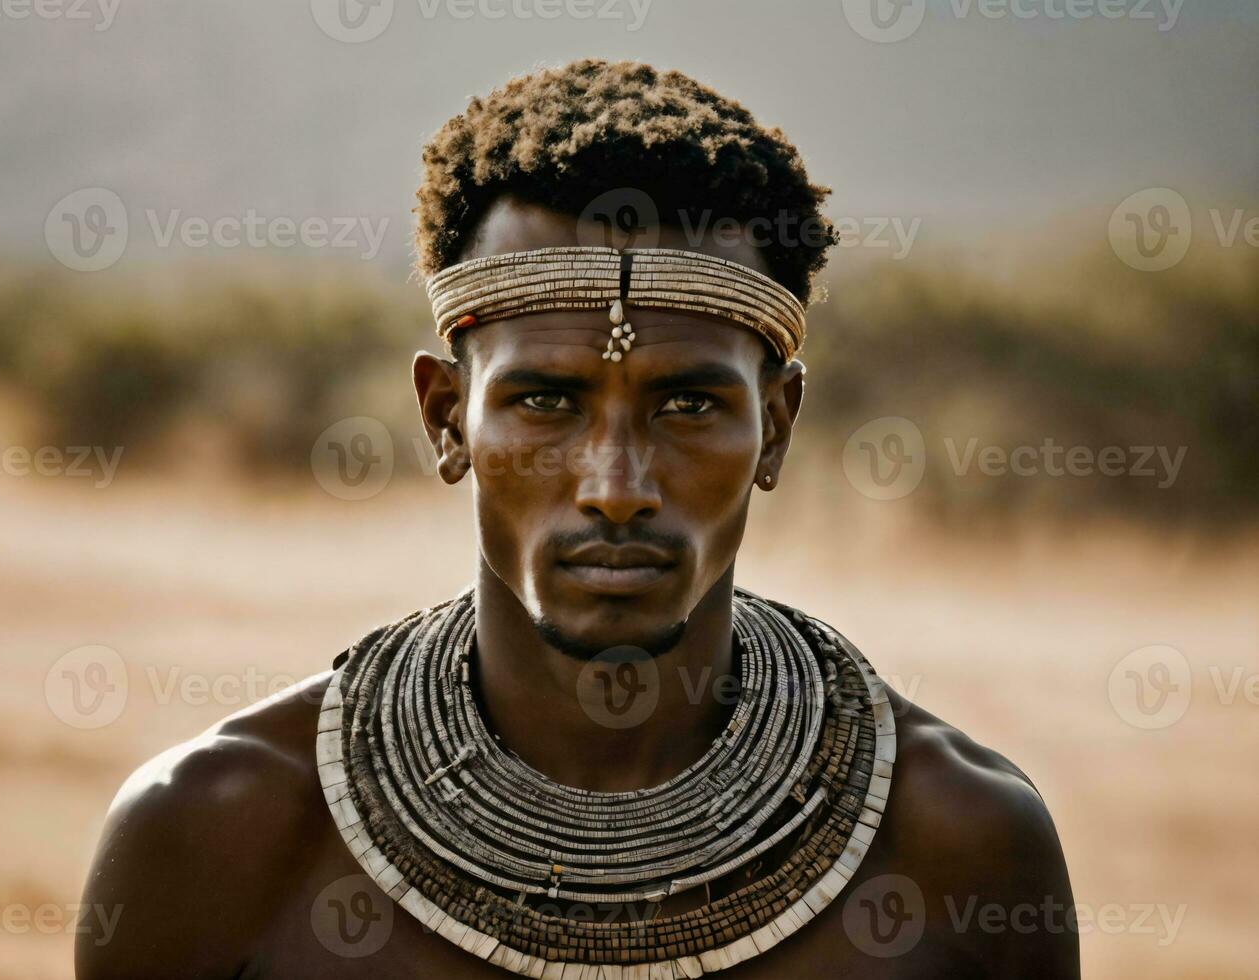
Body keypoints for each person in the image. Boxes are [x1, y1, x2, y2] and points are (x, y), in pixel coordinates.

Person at [77, 59, 1078, 979]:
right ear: (444, 416)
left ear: (774, 426)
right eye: (544, 401)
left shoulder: (960, 846)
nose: (614, 483)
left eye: (688, 404)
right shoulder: (220, 834)